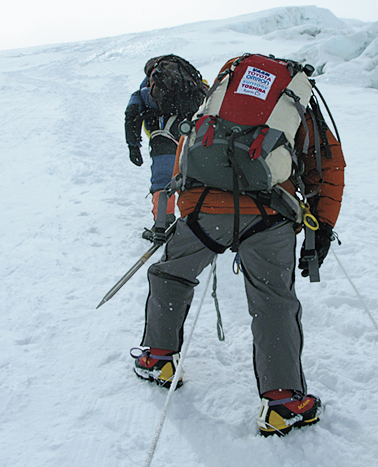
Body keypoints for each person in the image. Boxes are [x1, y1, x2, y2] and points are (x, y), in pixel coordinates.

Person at [129, 55, 345, 436]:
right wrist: (322, 226)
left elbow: (190, 141)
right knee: (273, 300)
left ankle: (158, 358)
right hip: (270, 212)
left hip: (204, 208)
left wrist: (190, 207)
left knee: (170, 275)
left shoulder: (222, 92)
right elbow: (328, 165)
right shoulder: (294, 103)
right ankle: (282, 403)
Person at [125, 56, 201, 241]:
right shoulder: (194, 84)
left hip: (164, 136)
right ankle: (201, 222)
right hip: (194, 135)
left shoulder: (144, 91)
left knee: (162, 181)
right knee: (196, 179)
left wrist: (133, 145)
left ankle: (163, 223)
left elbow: (131, 115)